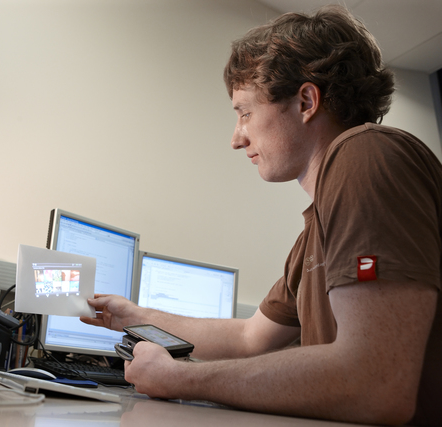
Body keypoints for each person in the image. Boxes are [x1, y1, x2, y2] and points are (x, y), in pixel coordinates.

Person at [80, 5, 442, 426]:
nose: (237, 138)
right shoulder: (316, 230)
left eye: (245, 112)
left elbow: (376, 383)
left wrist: (180, 378)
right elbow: (251, 338)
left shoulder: (364, 154)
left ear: (306, 100)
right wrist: (134, 316)